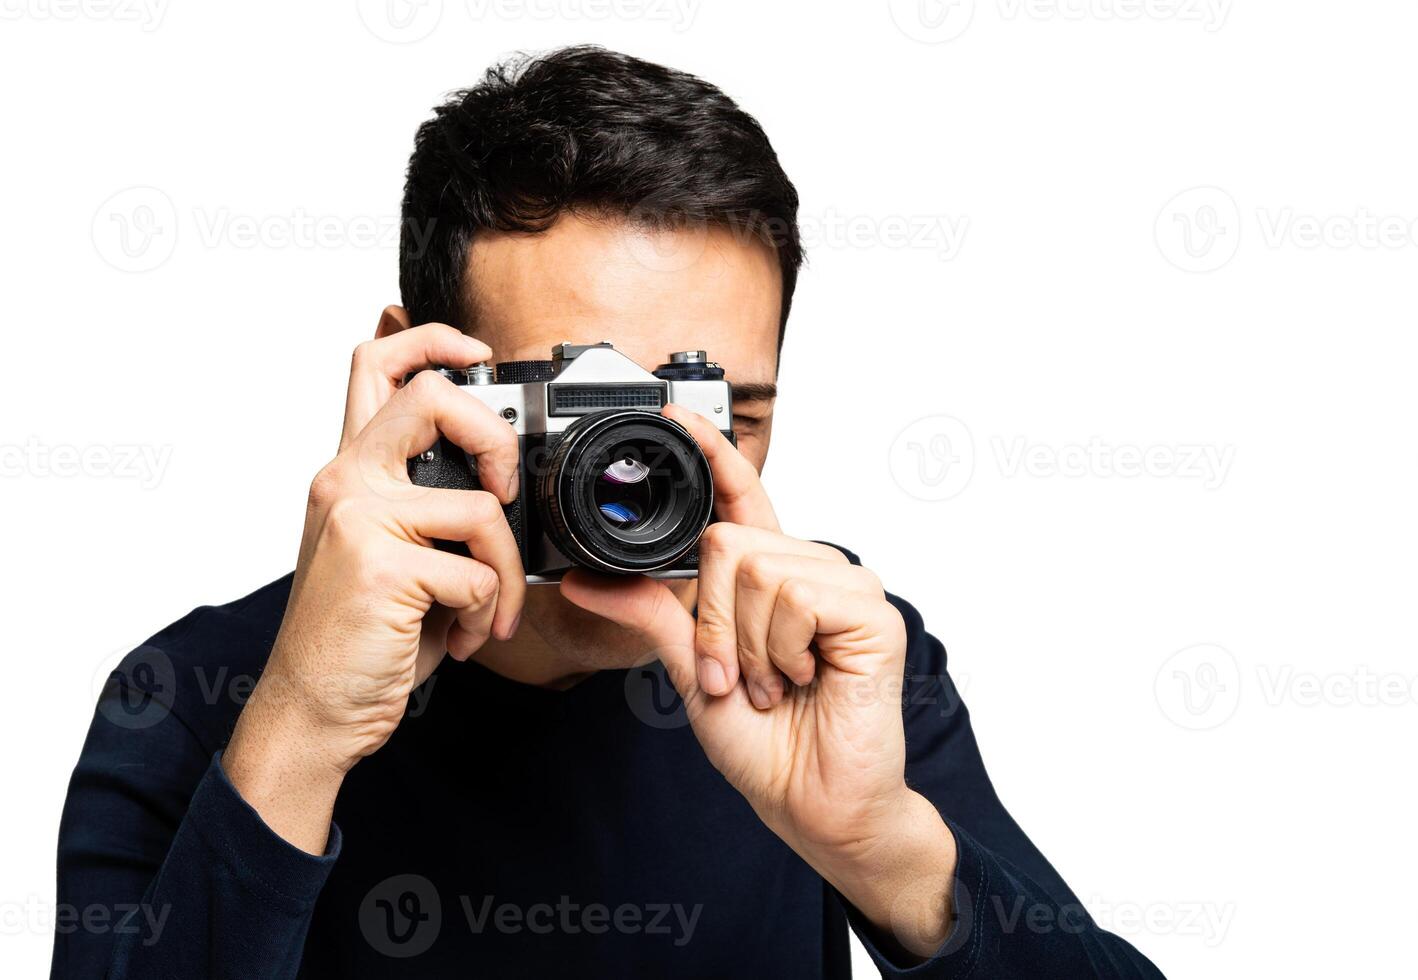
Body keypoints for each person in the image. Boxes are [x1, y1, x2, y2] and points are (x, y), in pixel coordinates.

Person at [52, 46, 1164, 978]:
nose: (634, 474)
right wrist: (295, 732)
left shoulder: (827, 658)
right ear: (419, 371)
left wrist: (884, 848)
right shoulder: (192, 696)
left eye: (710, 418)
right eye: (583, 414)